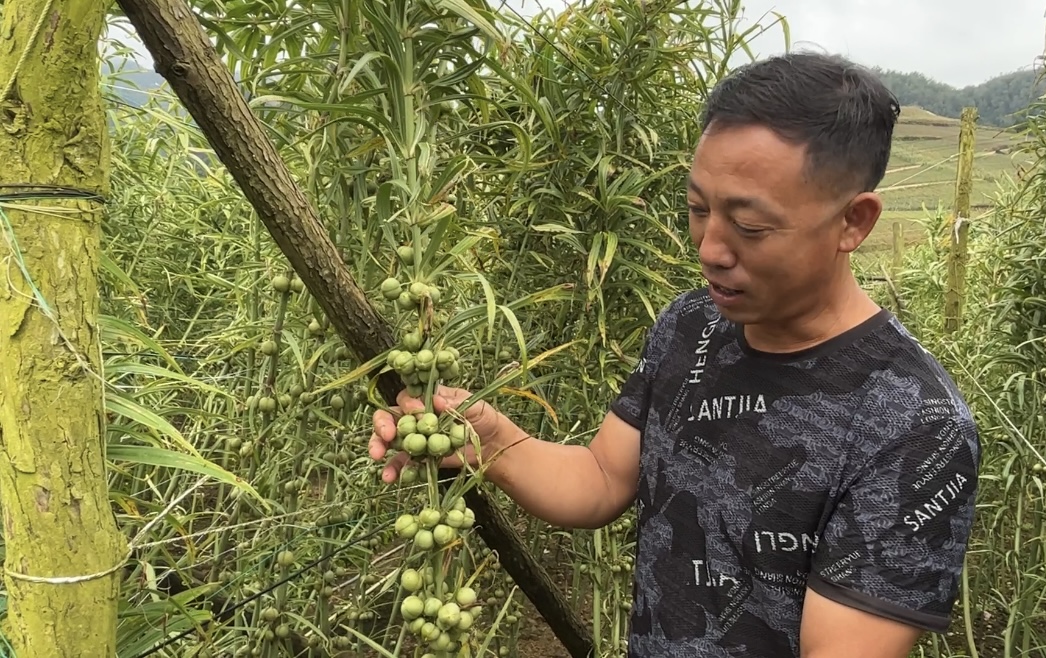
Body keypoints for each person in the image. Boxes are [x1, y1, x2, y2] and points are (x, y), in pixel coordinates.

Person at [369, 51, 981, 658]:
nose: (710, 247)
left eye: (750, 226)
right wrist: (489, 441)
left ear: (855, 221)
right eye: (697, 209)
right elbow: (603, 477)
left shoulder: (914, 425)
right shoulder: (693, 324)